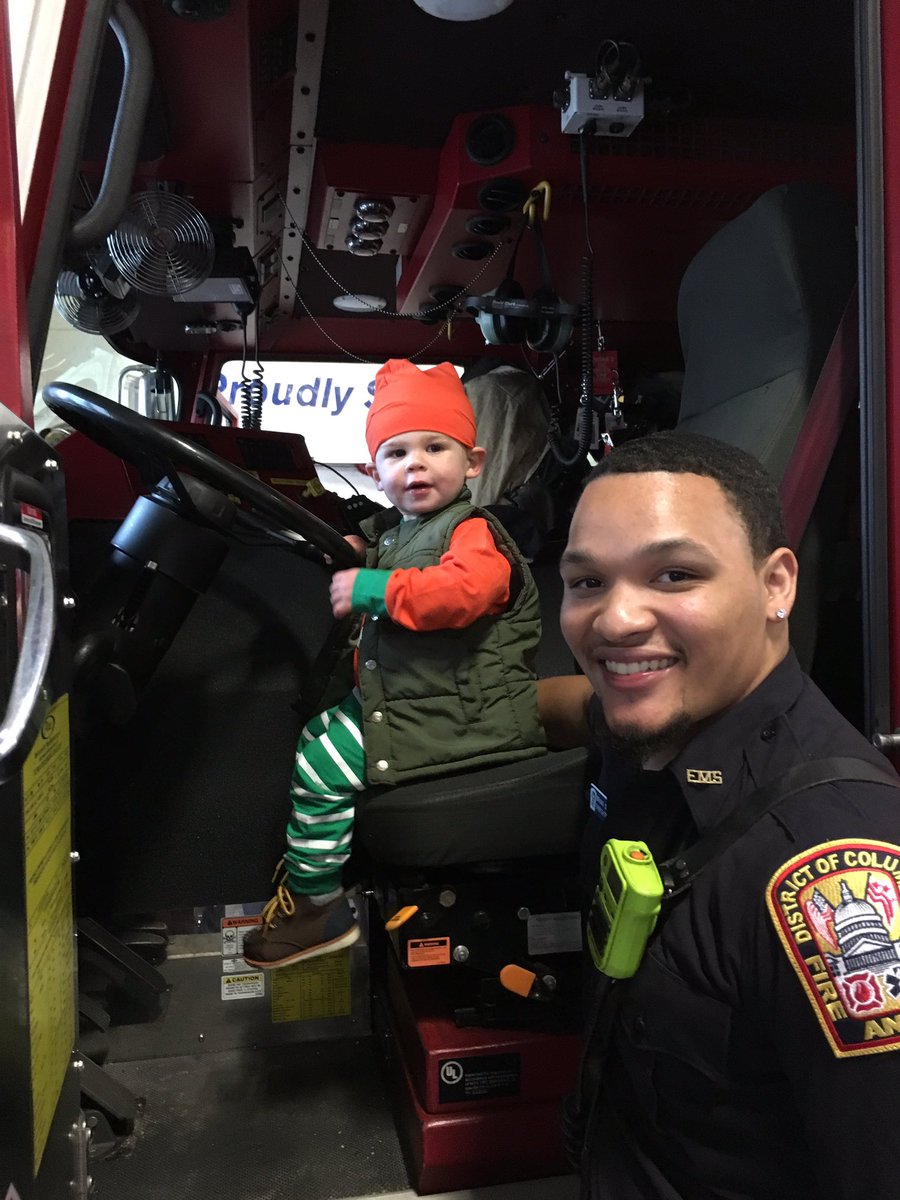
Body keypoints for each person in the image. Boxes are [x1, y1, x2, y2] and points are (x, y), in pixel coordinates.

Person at [539, 430, 900, 1199]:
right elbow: (578, 707)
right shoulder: (652, 722)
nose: (615, 621)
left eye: (675, 574)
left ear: (776, 586)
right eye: (587, 583)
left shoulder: (832, 869)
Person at [243, 358, 546, 969]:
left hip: (467, 711)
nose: (415, 464)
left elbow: (464, 592)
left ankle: (316, 905)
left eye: (435, 447)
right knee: (319, 734)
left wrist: (373, 587)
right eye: (396, 453)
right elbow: (377, 543)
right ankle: (319, 869)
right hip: (421, 698)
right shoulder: (400, 530)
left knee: (321, 765)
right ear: (372, 471)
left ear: (473, 463)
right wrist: (357, 547)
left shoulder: (472, 532)